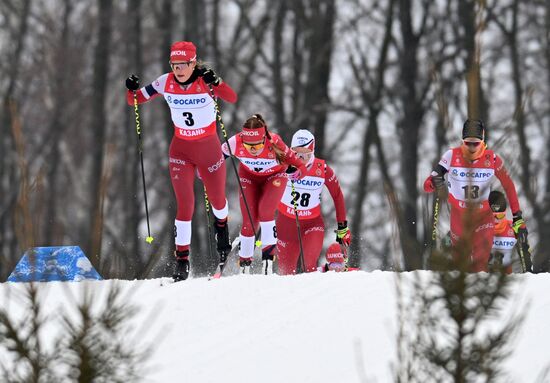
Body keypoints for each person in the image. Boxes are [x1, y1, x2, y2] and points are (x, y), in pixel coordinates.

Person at [125, 41, 237, 281]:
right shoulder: (165, 82)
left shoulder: (204, 82)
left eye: (183, 64)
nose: (178, 69)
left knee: (218, 201)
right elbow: (135, 99)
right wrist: (131, 89)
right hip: (181, 151)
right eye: (174, 65)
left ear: (193, 63)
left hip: (209, 150)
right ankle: (182, 261)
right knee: (185, 205)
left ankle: (223, 235)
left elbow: (231, 97)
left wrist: (216, 82)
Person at [423, 119, 528, 272]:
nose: (472, 147)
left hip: (484, 216)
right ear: (462, 141)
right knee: (460, 267)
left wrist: (517, 215)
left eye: (476, 143)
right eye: (468, 143)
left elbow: (509, 185)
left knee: (480, 265)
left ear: (483, 141)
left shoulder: (491, 159)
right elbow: (426, 186)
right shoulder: (451, 156)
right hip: (459, 216)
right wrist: (434, 182)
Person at [221, 114, 307, 274]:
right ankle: (244, 265)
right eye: (248, 146)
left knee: (265, 212)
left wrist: (297, 173)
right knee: (249, 221)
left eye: (257, 146)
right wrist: (205, 171)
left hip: (274, 177)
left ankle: (267, 260)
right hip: (249, 179)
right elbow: (215, 160)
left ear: (264, 140)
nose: (253, 150)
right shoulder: (234, 142)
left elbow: (300, 166)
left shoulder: (275, 142)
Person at [276, 129, 351, 275]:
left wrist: (342, 226)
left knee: (308, 267)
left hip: (312, 225)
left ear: (313, 152)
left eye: (306, 154)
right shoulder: (281, 166)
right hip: (285, 226)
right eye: (296, 153)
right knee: (285, 274)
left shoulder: (322, 169)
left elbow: (337, 195)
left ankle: (323, 277)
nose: (301, 158)